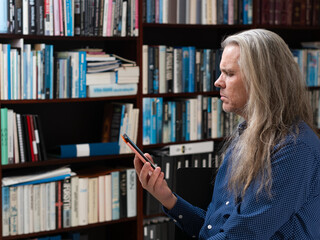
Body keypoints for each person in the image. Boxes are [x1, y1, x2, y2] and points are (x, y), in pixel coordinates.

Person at [134, 29, 320, 239]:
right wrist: (166, 196)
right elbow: (215, 227)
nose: (218, 82)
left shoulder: (295, 149)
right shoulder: (245, 135)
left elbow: (241, 234)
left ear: (262, 80)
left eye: (229, 74)